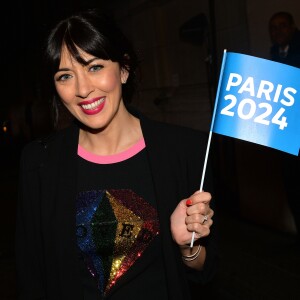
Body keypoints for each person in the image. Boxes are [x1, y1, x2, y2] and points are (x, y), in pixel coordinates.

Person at [15, 8, 218, 300]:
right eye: (65, 76)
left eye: (95, 67)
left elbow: (205, 272)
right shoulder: (39, 162)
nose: (83, 89)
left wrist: (188, 247)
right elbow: (31, 278)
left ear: (123, 69)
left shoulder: (184, 151)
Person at [268, 11, 300, 245]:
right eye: (274, 28)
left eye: (283, 26)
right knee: (292, 187)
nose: (278, 31)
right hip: (286, 138)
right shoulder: (273, 53)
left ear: (293, 27)